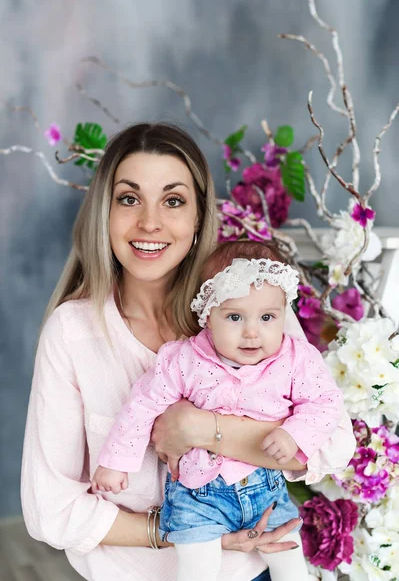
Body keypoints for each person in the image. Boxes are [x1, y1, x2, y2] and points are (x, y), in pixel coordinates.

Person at [21, 123, 355, 581]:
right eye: (129, 198)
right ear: (105, 213)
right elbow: (49, 509)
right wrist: (184, 532)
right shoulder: (73, 333)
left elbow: (332, 445)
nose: (150, 222)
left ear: (199, 218)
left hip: (253, 571)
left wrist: (202, 428)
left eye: (173, 200)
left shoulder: (249, 301)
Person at [91, 241, 346, 581]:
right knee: (198, 570)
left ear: (284, 313)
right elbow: (142, 405)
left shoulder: (296, 359)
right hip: (199, 495)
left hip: (267, 489)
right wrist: (115, 462)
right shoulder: (184, 359)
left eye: (268, 317)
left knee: (292, 569)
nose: (252, 331)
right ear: (208, 316)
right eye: (235, 316)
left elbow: (326, 402)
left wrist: (294, 433)